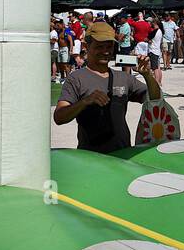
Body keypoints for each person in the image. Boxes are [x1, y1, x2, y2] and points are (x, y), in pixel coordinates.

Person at [53, 21, 161, 153]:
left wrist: (147, 75)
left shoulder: (123, 77)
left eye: (109, 46)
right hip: (91, 158)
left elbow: (156, 99)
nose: (105, 51)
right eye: (99, 46)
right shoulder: (76, 78)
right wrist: (85, 102)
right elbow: (59, 117)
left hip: (123, 155)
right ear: (87, 46)